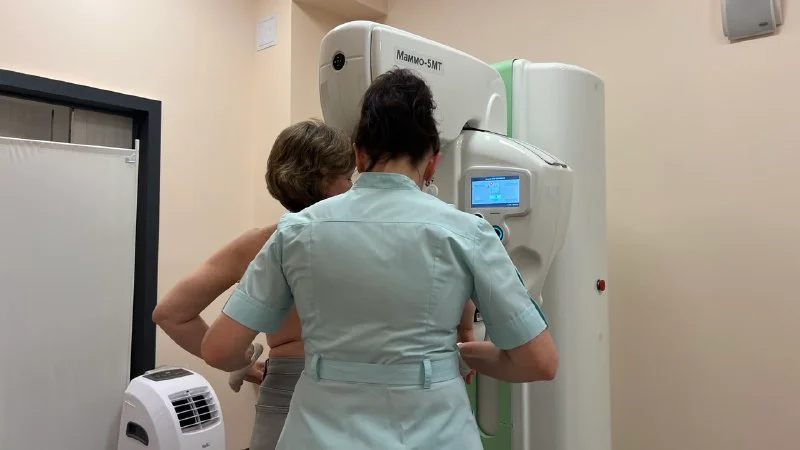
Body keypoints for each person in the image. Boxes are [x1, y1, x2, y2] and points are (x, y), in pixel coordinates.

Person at [201, 68, 558, 449]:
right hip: (436, 434)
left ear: (358, 153)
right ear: (433, 161)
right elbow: (539, 362)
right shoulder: (468, 233)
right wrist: (461, 355)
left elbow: (219, 349)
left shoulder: (295, 231)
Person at [151, 119, 357, 449]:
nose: (352, 185)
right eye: (348, 176)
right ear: (327, 180)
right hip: (354, 394)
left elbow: (171, 314)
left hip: (283, 392)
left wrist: (243, 362)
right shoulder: (366, 241)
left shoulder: (258, 243)